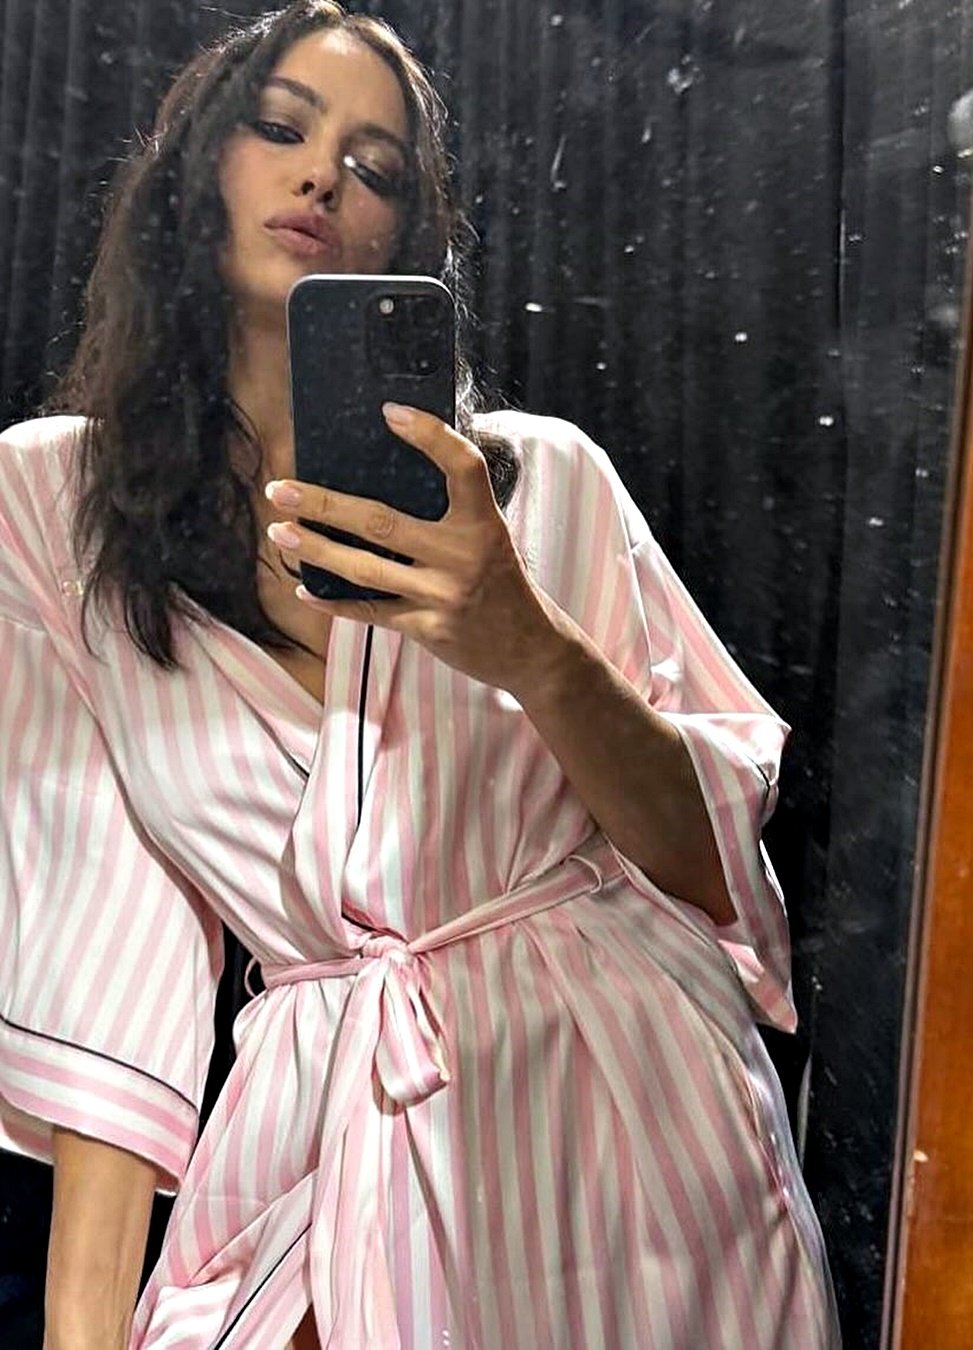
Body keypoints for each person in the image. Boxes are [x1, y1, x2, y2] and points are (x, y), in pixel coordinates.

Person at [0, 2, 840, 1346]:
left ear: (406, 239)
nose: (322, 176)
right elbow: (103, 945)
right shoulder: (55, 503)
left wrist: (526, 643)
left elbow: (707, 862)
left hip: (625, 1116)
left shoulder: (538, 480)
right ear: (193, 173)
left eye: (375, 166)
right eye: (279, 128)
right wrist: (80, 1326)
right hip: (318, 1122)